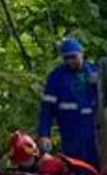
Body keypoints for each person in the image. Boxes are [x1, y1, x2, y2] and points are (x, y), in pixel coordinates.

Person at [37, 37, 99, 167]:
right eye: (66, 58)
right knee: (75, 169)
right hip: (71, 132)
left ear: (82, 54)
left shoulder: (95, 72)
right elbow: (47, 109)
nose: (70, 61)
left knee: (98, 167)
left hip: (95, 130)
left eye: (73, 57)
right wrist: (44, 134)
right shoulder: (56, 77)